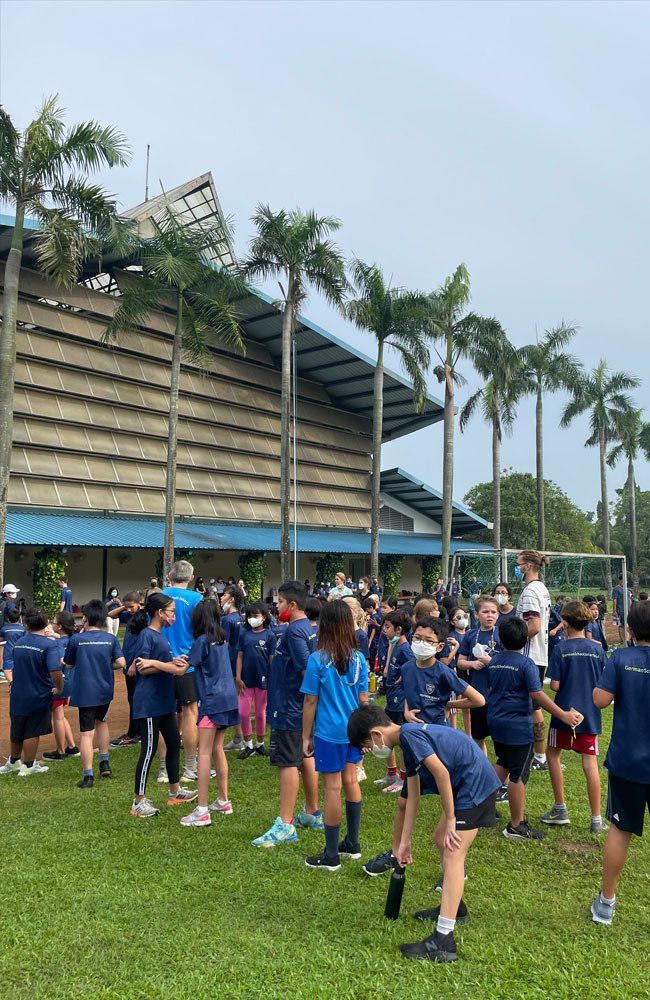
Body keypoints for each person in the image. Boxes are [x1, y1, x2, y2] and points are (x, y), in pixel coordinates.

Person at [348, 705, 500, 963]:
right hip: (466, 783)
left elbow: (440, 772)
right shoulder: (407, 741)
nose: (370, 751)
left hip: (474, 785)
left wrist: (451, 818)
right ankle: (456, 907)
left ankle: (443, 941)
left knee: (452, 852)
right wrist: (404, 843)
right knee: (440, 838)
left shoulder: (409, 735)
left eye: (366, 745)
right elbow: (412, 796)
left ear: (376, 735)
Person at [488, 615, 582, 841]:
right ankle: (516, 826)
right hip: (517, 726)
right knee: (518, 774)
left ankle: (482, 807)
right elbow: (537, 694)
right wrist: (563, 715)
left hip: (496, 722)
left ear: (500, 639)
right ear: (526, 639)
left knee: (503, 762)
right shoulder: (526, 664)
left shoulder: (494, 661)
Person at [591, 599, 650, 926]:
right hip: (632, 761)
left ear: (629, 629)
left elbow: (600, 700)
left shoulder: (620, 658)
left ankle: (606, 904)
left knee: (621, 828)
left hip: (627, 760)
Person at [252, 580, 322, 847]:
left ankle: (285, 824)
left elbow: (307, 669)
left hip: (289, 707)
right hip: (297, 707)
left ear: (292, 605)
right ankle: (312, 812)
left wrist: (304, 701)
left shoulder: (293, 631)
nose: (276, 605)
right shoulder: (309, 628)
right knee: (305, 757)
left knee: (287, 762)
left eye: (279, 601)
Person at [301, 601, 368, 870]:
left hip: (329, 733)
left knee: (332, 788)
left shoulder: (317, 659)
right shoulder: (359, 659)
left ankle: (331, 855)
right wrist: (364, 734)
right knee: (351, 781)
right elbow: (364, 699)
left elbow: (310, 702)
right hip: (353, 730)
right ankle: (352, 843)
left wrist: (306, 736)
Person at [128, 593, 198, 818]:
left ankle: (175, 791)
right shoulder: (146, 636)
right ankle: (138, 802)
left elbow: (155, 664)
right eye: (172, 612)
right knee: (148, 751)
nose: (175, 617)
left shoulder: (162, 636)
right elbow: (142, 668)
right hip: (149, 703)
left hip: (165, 700)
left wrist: (170, 663)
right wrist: (169, 665)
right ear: (160, 613)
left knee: (173, 744)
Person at [540, 600, 607, 833]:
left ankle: (560, 808)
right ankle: (596, 820)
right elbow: (604, 683)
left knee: (553, 754)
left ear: (565, 623)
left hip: (563, 714)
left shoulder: (561, 649)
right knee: (590, 764)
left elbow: (555, 685)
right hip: (589, 715)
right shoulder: (597, 650)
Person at [180, 600, 240, 826]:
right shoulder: (221, 638)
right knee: (216, 749)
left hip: (211, 701)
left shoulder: (201, 641)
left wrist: (155, 664)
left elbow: (182, 668)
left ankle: (202, 809)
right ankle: (223, 800)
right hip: (228, 698)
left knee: (203, 753)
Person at [64, 599, 125, 788]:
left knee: (86, 734)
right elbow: (121, 663)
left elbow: (69, 664)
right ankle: (104, 761)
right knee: (102, 723)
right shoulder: (110, 639)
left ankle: (88, 775)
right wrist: (107, 664)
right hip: (104, 691)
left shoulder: (76, 639)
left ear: (86, 618)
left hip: (85, 691)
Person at [0, 607, 63, 777]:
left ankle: (13, 762)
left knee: (17, 727)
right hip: (39, 692)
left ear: (26, 624)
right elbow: (55, 670)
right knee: (32, 730)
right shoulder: (49, 644)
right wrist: (60, 687)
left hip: (18, 692)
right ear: (46, 623)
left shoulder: (19, 642)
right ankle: (28, 766)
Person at [163, 559, 204, 782]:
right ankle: (190, 767)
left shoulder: (158, 596)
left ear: (170, 576)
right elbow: (201, 632)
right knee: (190, 713)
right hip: (187, 664)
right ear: (191, 577)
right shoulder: (197, 599)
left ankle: (162, 769)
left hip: (162, 663)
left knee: (164, 714)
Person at [403, 617, 484, 727]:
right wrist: (406, 711)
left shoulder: (444, 672)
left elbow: (478, 700)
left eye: (428, 640)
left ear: (440, 647)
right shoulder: (406, 668)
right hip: (414, 730)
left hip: (437, 730)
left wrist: (449, 704)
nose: (421, 643)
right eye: (417, 638)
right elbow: (407, 692)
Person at [514, 550, 552, 772]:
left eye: (518, 564)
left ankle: (538, 755)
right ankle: (539, 754)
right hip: (539, 656)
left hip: (529, 657)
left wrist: (513, 641)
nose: (517, 567)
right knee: (533, 707)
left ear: (527, 566)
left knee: (532, 708)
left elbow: (534, 627)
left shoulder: (530, 591)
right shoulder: (541, 588)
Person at [376, 608, 415, 795]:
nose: (385, 630)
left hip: (400, 703)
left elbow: (414, 673)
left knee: (401, 742)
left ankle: (402, 778)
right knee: (387, 737)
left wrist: (405, 680)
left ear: (399, 630)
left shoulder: (406, 650)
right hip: (392, 699)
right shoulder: (396, 646)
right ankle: (391, 773)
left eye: (388, 627)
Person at [457, 595, 502, 755]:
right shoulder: (470, 635)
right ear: (476, 614)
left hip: (498, 694)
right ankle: (482, 769)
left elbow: (509, 663)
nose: (490, 615)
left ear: (498, 614)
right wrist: (473, 664)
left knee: (500, 738)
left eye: (493, 612)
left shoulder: (502, 634)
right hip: (478, 693)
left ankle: (503, 775)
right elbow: (460, 662)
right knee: (478, 736)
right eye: (485, 612)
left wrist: (491, 661)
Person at [235, 601, 275, 759]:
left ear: (264, 617)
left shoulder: (270, 635)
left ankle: (259, 744)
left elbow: (272, 659)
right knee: (243, 713)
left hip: (263, 680)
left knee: (260, 713)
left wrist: (272, 680)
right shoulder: (244, 633)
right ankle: (248, 744)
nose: (252, 619)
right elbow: (239, 656)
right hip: (245, 681)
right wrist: (238, 677)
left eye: (256, 616)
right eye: (250, 616)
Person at [108, 590, 145, 748]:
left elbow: (144, 643)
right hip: (128, 663)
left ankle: (135, 733)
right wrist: (124, 607)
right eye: (127, 606)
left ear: (140, 603)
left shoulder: (144, 617)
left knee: (136, 699)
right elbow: (110, 614)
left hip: (135, 665)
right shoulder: (129, 614)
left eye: (132, 606)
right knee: (132, 698)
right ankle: (135, 731)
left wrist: (133, 663)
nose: (129, 609)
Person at [43, 610, 79, 761]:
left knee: (57, 717)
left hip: (59, 684)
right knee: (61, 716)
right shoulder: (72, 640)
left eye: (54, 623)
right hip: (69, 682)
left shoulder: (57, 645)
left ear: (59, 627)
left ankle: (60, 751)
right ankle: (71, 747)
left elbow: (55, 666)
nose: (51, 624)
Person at [220, 585, 246, 752]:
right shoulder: (241, 618)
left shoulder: (227, 620)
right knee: (238, 699)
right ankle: (240, 736)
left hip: (229, 662)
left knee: (233, 701)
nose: (221, 598)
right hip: (238, 662)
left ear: (232, 599)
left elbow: (224, 644)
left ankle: (238, 737)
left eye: (224, 595)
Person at [0, 606, 25, 686]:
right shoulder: (23, 629)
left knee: (7, 670)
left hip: (8, 652)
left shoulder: (4, 629)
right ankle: (17, 685)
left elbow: (1, 640)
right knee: (20, 669)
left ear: (8, 618)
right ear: (19, 618)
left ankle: (12, 684)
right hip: (21, 651)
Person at [611, 575, 632, 642]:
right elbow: (614, 600)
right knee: (622, 625)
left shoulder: (626, 588)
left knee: (628, 623)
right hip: (621, 610)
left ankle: (627, 638)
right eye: (624, 580)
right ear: (620, 580)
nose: (625, 581)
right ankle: (623, 640)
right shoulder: (616, 589)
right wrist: (614, 611)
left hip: (628, 609)